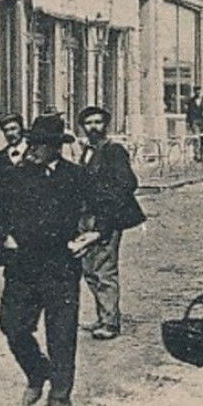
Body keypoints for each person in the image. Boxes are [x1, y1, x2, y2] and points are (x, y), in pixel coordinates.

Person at [0, 114, 95, 406]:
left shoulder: (77, 177)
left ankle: (60, 399)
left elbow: (113, 206)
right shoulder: (15, 174)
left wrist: (92, 236)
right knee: (12, 325)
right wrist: (3, 236)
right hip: (22, 265)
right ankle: (37, 370)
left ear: (55, 148)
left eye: (40, 145)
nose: (32, 150)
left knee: (61, 333)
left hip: (61, 264)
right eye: (31, 143)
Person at [75, 106, 145, 341]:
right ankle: (103, 315)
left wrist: (107, 205)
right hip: (86, 216)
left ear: (106, 125)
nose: (94, 127)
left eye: (98, 122)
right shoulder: (86, 151)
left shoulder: (114, 150)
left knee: (105, 269)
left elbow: (128, 183)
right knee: (88, 269)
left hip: (106, 217)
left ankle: (109, 322)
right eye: (89, 123)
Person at [0, 114, 27, 270]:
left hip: (29, 214)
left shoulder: (34, 154)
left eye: (14, 128)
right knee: (11, 262)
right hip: (8, 215)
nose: (10, 134)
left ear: (21, 129)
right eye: (6, 130)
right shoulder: (1, 159)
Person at [184, 86, 203, 162]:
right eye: (196, 91)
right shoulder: (191, 101)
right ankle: (197, 155)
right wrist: (188, 123)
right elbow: (188, 113)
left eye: (199, 91)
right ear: (194, 92)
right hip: (195, 122)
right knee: (196, 138)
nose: (198, 93)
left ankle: (201, 154)